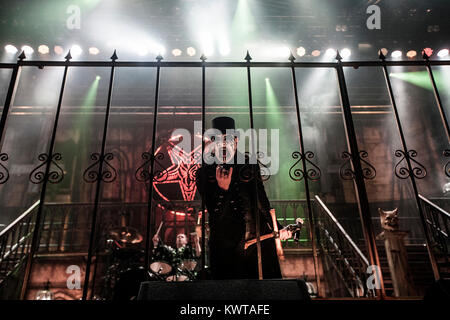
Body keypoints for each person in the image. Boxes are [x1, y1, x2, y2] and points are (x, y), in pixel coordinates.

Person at [196, 116, 293, 280]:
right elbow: (212, 211)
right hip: (226, 246)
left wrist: (278, 227)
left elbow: (262, 201)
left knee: (265, 290)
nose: (222, 144)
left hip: (258, 242)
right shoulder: (205, 172)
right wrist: (223, 190)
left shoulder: (249, 165)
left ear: (235, 140)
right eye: (217, 140)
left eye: (226, 139)